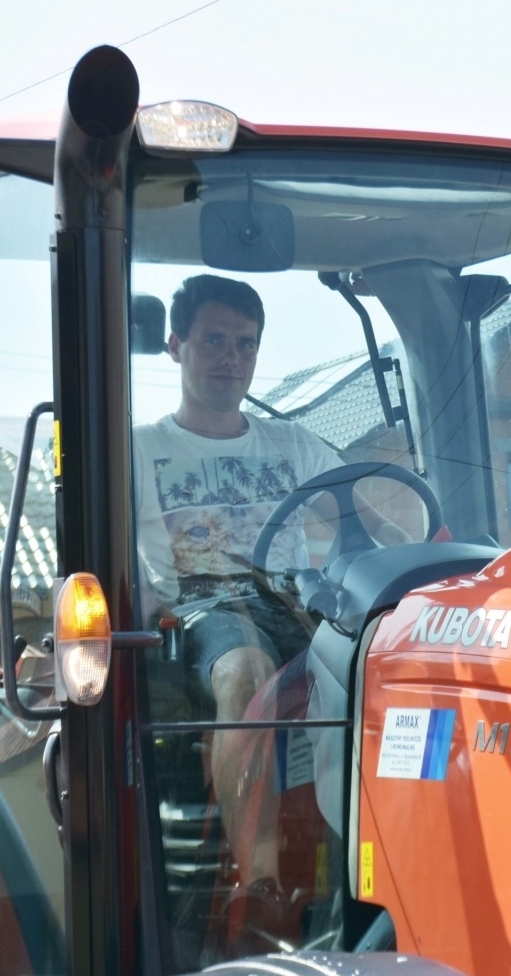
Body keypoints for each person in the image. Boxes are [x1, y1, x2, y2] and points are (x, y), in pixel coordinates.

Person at [133, 274, 346, 726]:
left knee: (388, 659)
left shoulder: (292, 444)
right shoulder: (138, 451)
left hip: (294, 605)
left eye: (245, 344)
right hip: (203, 614)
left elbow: (368, 522)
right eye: (214, 340)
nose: (232, 358)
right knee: (247, 673)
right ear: (176, 346)